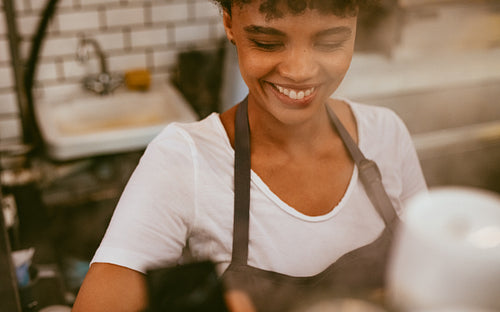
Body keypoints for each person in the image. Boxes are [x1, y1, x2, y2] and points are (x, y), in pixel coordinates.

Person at [72, 0, 427, 311]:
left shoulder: (386, 134)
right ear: (229, 23)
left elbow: (431, 274)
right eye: (267, 42)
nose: (300, 70)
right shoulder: (183, 160)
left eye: (331, 41)